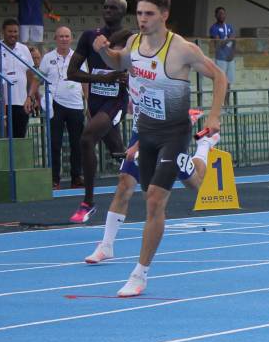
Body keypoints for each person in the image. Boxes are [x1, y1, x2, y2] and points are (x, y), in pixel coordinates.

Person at [93, 0, 226, 297]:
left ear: (164, 15)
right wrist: (102, 51)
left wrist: (214, 116)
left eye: (149, 14)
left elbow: (220, 77)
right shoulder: (135, 43)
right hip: (147, 131)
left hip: (174, 131)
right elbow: (118, 62)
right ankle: (205, 148)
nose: (142, 19)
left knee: (154, 199)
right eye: (139, 13)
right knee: (195, 185)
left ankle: (140, 274)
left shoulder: (182, 50)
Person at [85, 29, 219, 265]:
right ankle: (106, 245)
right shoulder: (128, 70)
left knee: (195, 184)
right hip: (143, 128)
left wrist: (137, 144)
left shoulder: (160, 71)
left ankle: (204, 146)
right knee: (125, 183)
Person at [66, 0, 130, 223]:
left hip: (116, 102)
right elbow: (71, 73)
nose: (108, 10)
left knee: (86, 138)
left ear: (123, 12)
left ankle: (88, 202)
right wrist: (102, 77)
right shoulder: (89, 36)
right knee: (119, 154)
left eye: (113, 8)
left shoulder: (131, 38)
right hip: (95, 100)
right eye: (105, 7)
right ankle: (144, 171)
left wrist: (125, 80)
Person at [40, 26, 86, 189]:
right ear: (55, 38)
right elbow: (38, 78)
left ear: (71, 38)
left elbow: (85, 81)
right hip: (55, 104)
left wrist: (88, 104)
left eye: (67, 36)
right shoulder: (47, 58)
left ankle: (77, 177)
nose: (64, 39)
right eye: (61, 36)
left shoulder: (79, 57)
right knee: (55, 143)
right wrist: (32, 96)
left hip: (75, 104)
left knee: (77, 143)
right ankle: (54, 179)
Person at [0, 19, 39, 139]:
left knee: (19, 138)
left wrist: (31, 97)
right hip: (2, 103)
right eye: (10, 31)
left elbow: (31, 74)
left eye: (15, 31)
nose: (13, 34)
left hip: (21, 102)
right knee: (3, 139)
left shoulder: (24, 49)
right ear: (3, 32)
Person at [208, 6, 235, 89]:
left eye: (223, 13)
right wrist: (228, 39)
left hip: (230, 58)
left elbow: (233, 39)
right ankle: (221, 101)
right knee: (221, 81)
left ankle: (227, 102)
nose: (222, 15)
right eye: (220, 13)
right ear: (216, 15)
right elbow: (218, 43)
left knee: (229, 82)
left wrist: (225, 40)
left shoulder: (229, 26)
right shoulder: (214, 28)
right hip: (220, 58)